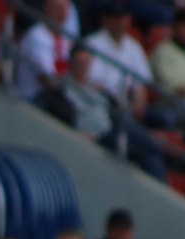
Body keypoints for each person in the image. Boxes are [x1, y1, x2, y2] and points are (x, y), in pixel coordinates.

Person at [46, 45, 166, 180]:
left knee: (154, 151)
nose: (83, 67)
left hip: (110, 130)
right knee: (148, 151)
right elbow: (64, 121)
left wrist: (107, 94)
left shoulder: (96, 87)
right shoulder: (63, 90)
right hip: (94, 136)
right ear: (71, 64)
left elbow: (115, 107)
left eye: (86, 63)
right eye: (79, 63)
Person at [84, 2, 159, 125]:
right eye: (115, 18)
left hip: (126, 104)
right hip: (100, 101)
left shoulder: (134, 47)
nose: (119, 22)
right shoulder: (92, 42)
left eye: (123, 17)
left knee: (162, 118)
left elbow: (141, 85)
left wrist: (138, 103)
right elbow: (90, 82)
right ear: (105, 19)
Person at [18, 0, 74, 101]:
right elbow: (47, 79)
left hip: (51, 98)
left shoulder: (63, 39)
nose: (61, 13)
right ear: (46, 9)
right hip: (31, 97)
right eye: (57, 8)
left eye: (64, 9)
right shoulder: (37, 35)